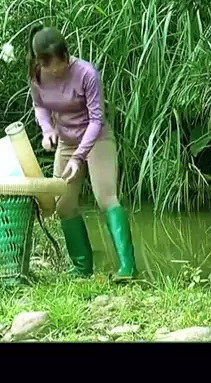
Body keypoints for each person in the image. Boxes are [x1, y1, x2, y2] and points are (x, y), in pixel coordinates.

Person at [28, 24, 136, 281]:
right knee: (63, 204)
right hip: (66, 142)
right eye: (49, 65)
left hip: (97, 138)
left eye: (60, 62)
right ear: (40, 62)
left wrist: (79, 157)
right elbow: (39, 105)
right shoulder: (37, 75)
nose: (56, 69)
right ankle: (82, 268)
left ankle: (127, 268)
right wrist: (47, 130)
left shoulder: (87, 73)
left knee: (105, 197)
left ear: (67, 54)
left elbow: (97, 119)